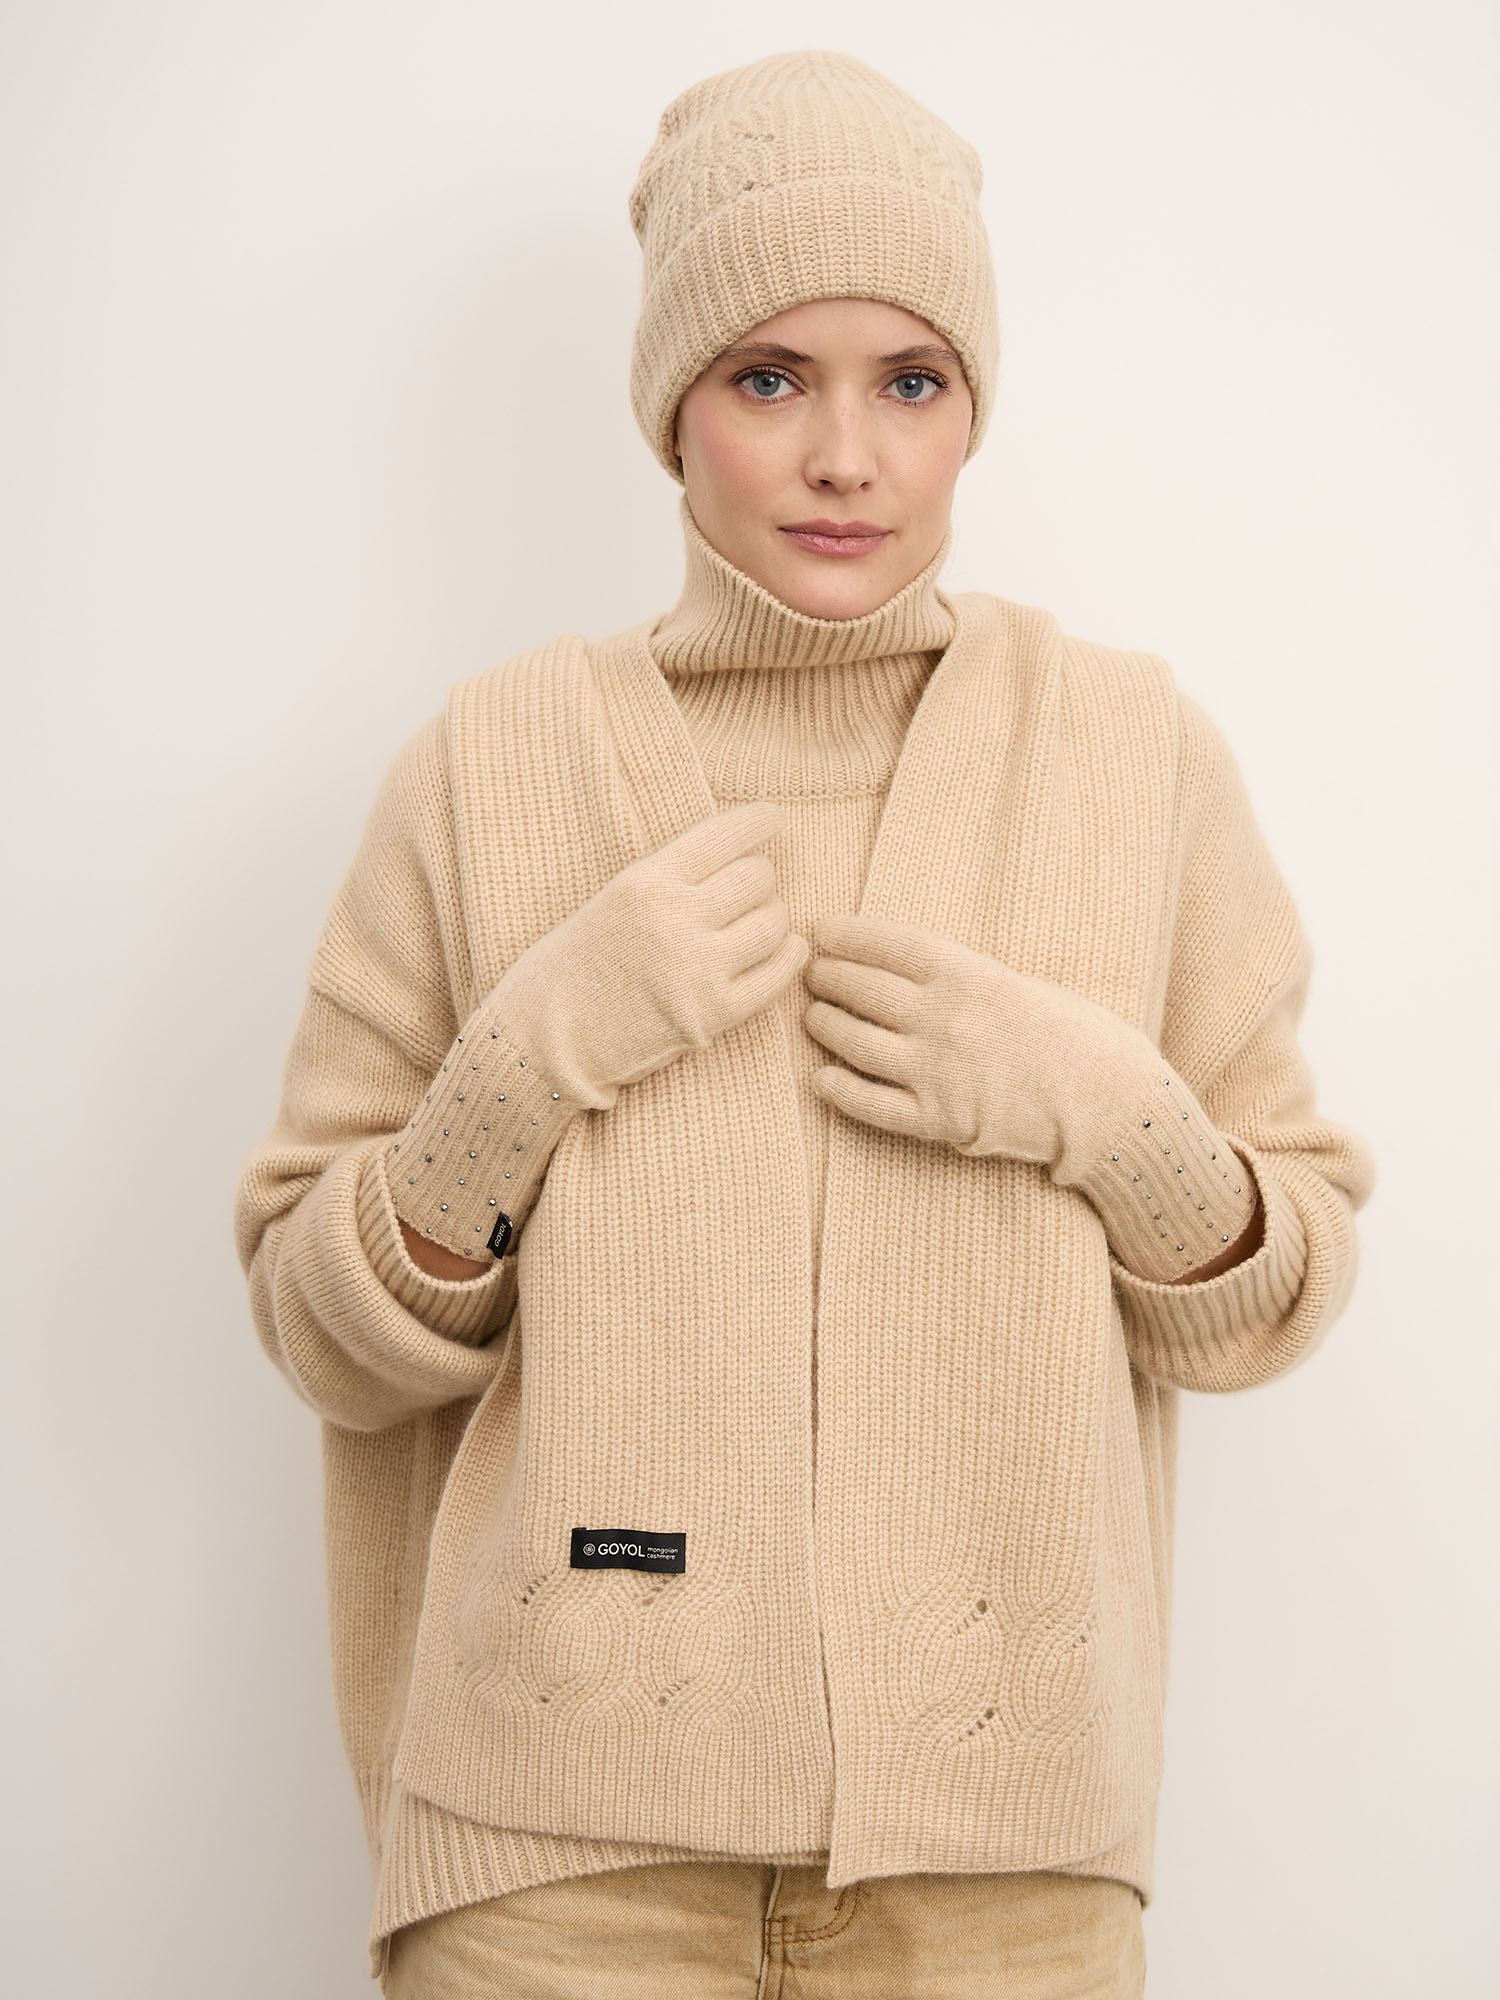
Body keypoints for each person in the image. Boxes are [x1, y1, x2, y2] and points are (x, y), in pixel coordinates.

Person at [233, 48, 1377, 1999]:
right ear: (671, 407)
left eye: (910, 381)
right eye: (771, 378)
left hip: (1006, 1879)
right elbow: (320, 1337)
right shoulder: (490, 766)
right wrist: (519, 1072)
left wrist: (1109, 1115)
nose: (847, 454)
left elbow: (1275, 1301)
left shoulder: (1131, 759)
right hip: (559, 1874)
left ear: (971, 410)